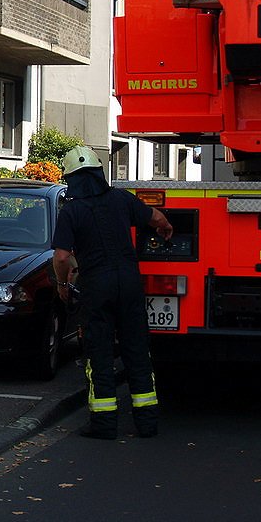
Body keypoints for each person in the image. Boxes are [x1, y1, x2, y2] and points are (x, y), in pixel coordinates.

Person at [51, 146, 173, 440]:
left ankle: (104, 424)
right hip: (130, 284)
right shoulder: (121, 198)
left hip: (97, 288)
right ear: (99, 172)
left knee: (100, 353)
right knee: (136, 351)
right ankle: (147, 423)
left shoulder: (72, 210)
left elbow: (62, 258)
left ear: (70, 180)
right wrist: (166, 228)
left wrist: (62, 284)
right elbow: (155, 218)